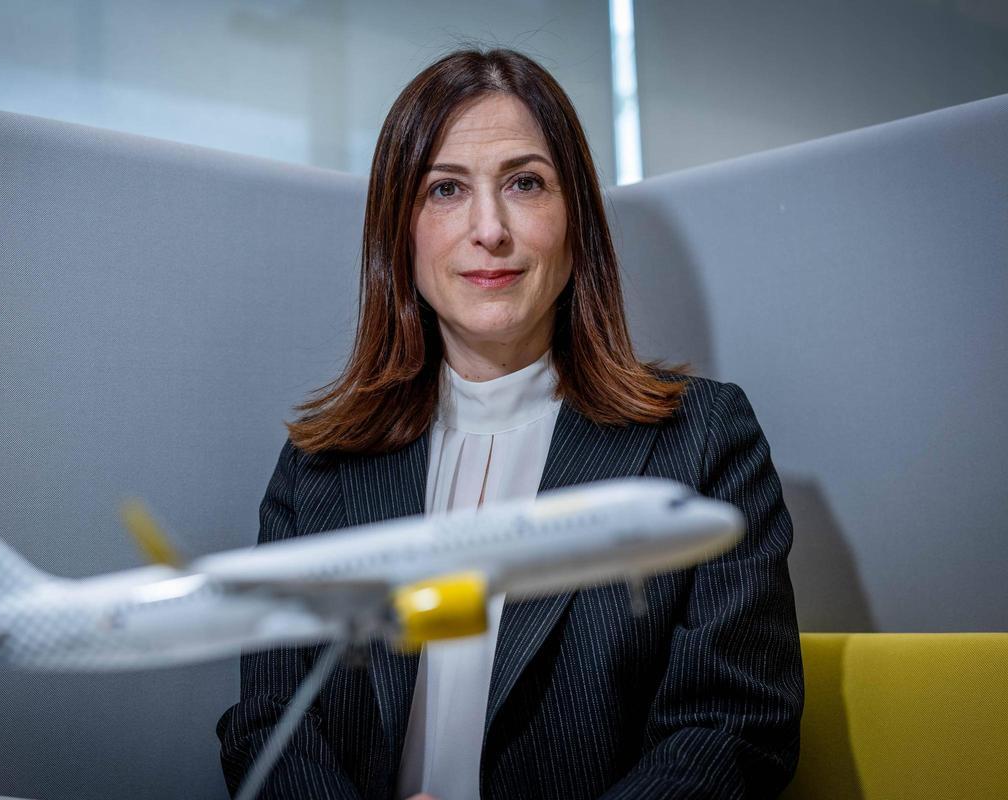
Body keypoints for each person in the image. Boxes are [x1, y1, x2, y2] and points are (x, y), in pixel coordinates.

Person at [217, 47, 803, 800]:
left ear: (575, 220)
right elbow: (267, 723)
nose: (489, 229)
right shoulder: (318, 466)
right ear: (400, 233)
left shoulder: (704, 441)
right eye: (445, 189)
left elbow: (734, 729)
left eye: (525, 183)